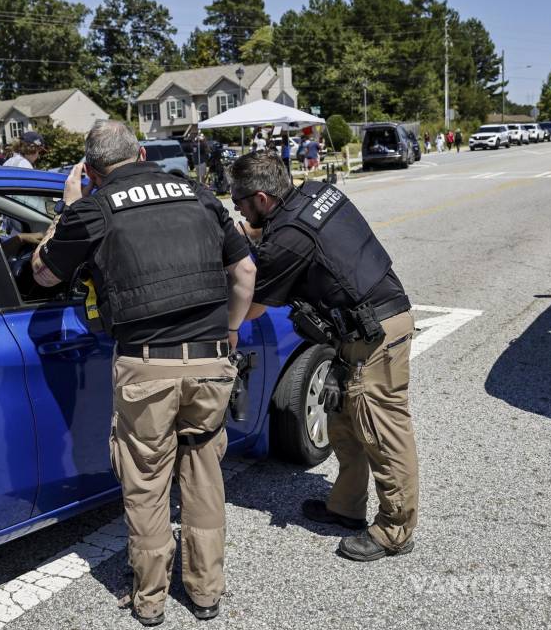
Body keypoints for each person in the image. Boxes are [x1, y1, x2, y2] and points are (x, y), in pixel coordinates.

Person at [32, 120, 256, 626]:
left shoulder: (92, 209)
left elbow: (43, 274)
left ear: (90, 170)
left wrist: (67, 209)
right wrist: (232, 331)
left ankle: (150, 600)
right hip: (210, 358)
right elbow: (245, 272)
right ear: (141, 153)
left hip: (146, 365)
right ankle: (205, 593)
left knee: (147, 482)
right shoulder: (198, 194)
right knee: (203, 476)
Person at [230, 150, 419, 563]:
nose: (238, 208)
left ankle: (395, 529)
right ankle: (346, 508)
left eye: (239, 201)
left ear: (261, 199)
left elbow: (254, 307)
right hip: (359, 328)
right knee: (345, 422)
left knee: (383, 433)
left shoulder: (286, 238)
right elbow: (304, 241)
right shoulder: (316, 193)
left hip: (377, 335)